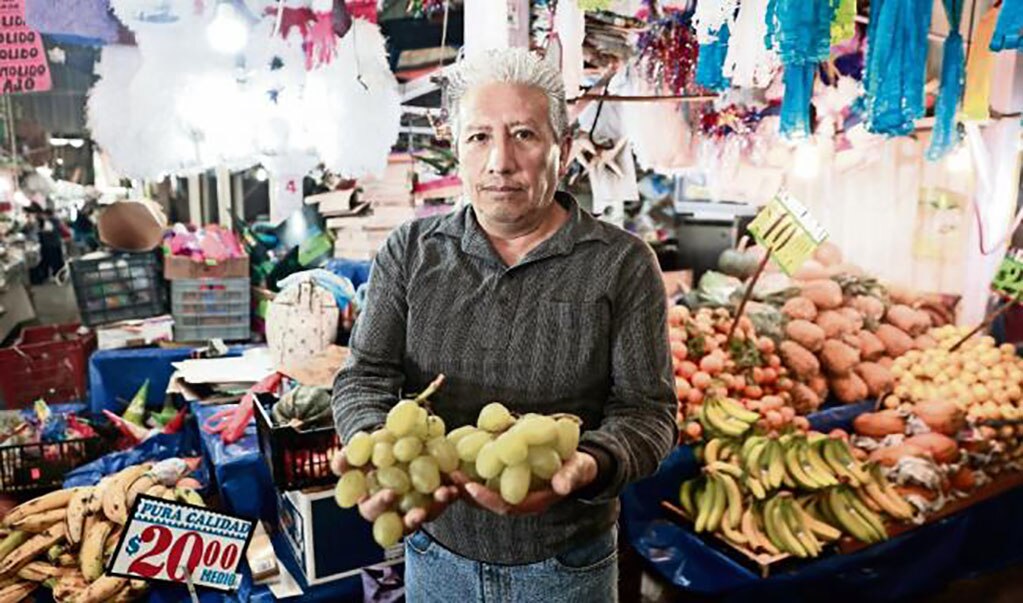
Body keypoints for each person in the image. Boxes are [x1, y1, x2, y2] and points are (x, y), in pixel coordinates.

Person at [331, 48, 676, 602]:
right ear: (457, 152)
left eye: (524, 134)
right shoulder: (411, 251)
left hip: (568, 566)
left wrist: (591, 462)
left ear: (561, 151)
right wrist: (375, 441)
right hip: (435, 557)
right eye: (478, 137)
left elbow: (648, 412)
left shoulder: (622, 263)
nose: (500, 161)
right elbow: (364, 376)